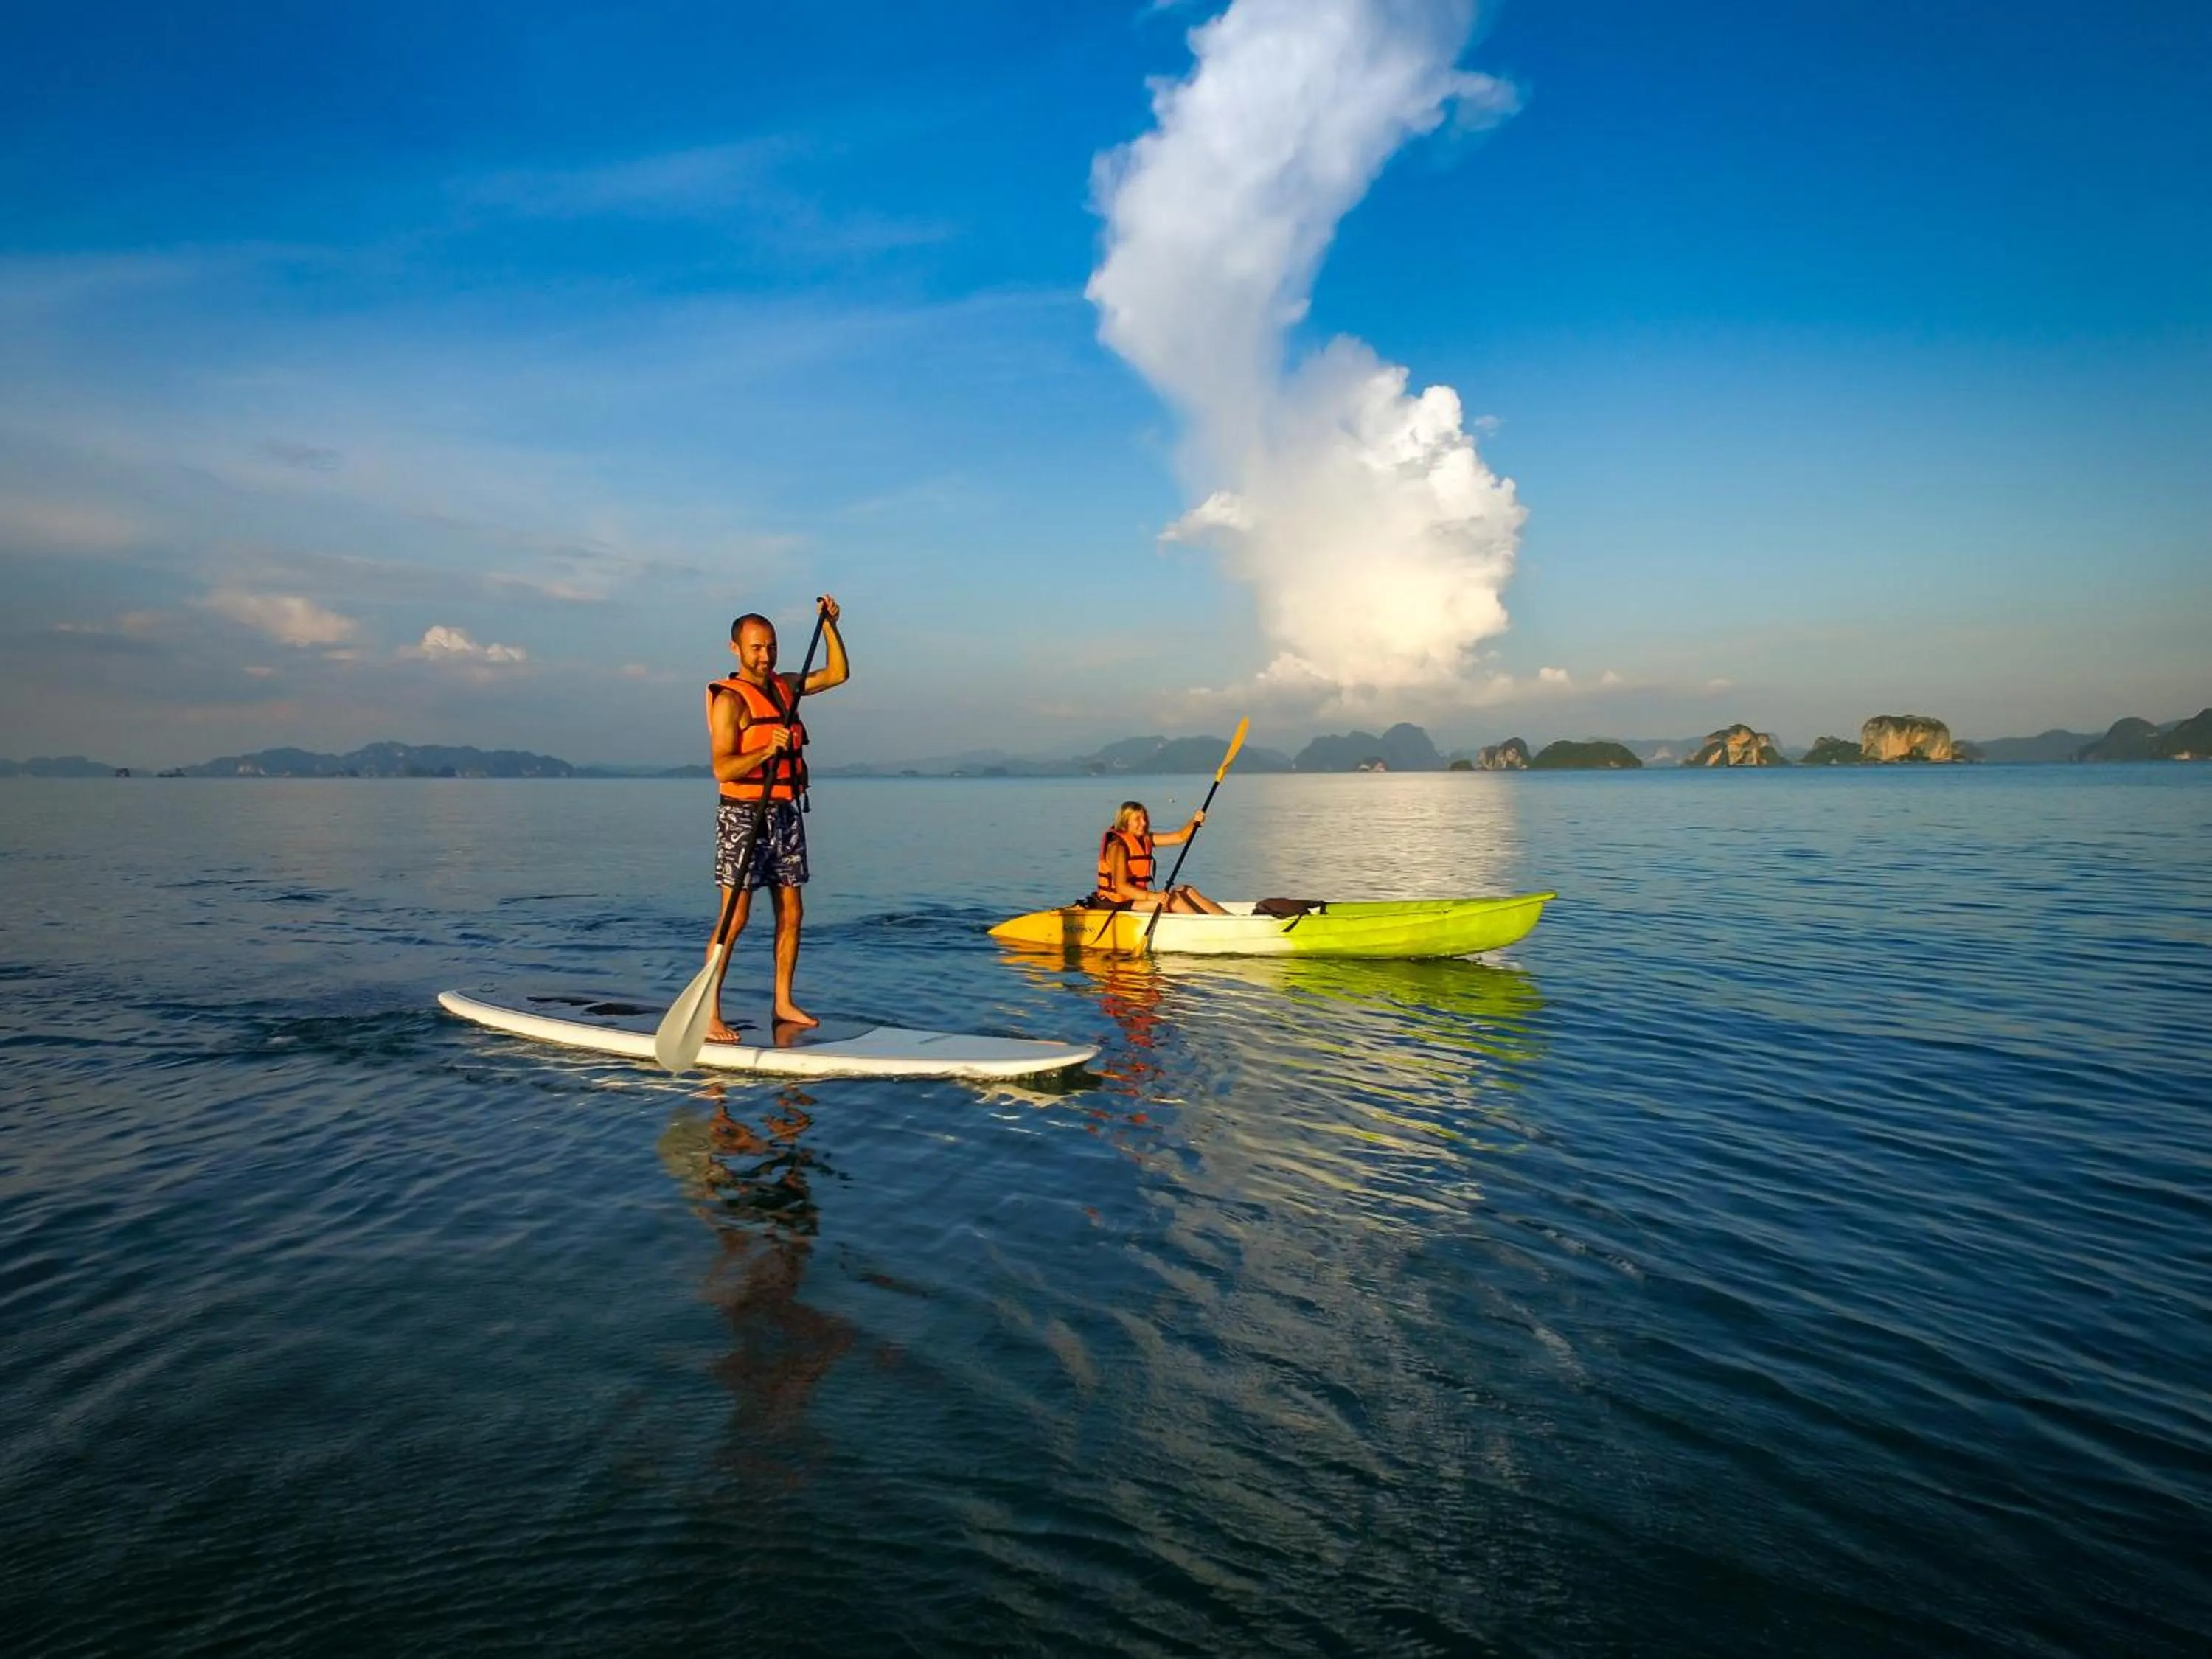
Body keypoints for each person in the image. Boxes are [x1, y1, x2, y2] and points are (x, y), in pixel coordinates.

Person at [703, 596, 849, 1039]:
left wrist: (829, 625)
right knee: (736, 915)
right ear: (736, 650)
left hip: (784, 811)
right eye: (755, 648)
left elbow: (838, 673)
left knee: (792, 912)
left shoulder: (785, 686)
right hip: (743, 816)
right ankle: (708, 1010)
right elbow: (722, 768)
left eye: (770, 647)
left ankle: (783, 1001)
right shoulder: (730, 701)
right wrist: (768, 748)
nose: (765, 656)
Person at [1093, 801, 1227, 914]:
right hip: (1117, 905)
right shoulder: (1118, 847)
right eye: (1137, 819)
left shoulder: (1144, 839)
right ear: (1125, 822)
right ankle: (1205, 926)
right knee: (1172, 899)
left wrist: (1194, 822)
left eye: (1145, 818)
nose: (1144, 823)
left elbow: (1179, 837)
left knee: (1186, 890)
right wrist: (1154, 896)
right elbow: (1122, 887)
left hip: (1136, 900)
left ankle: (1226, 918)